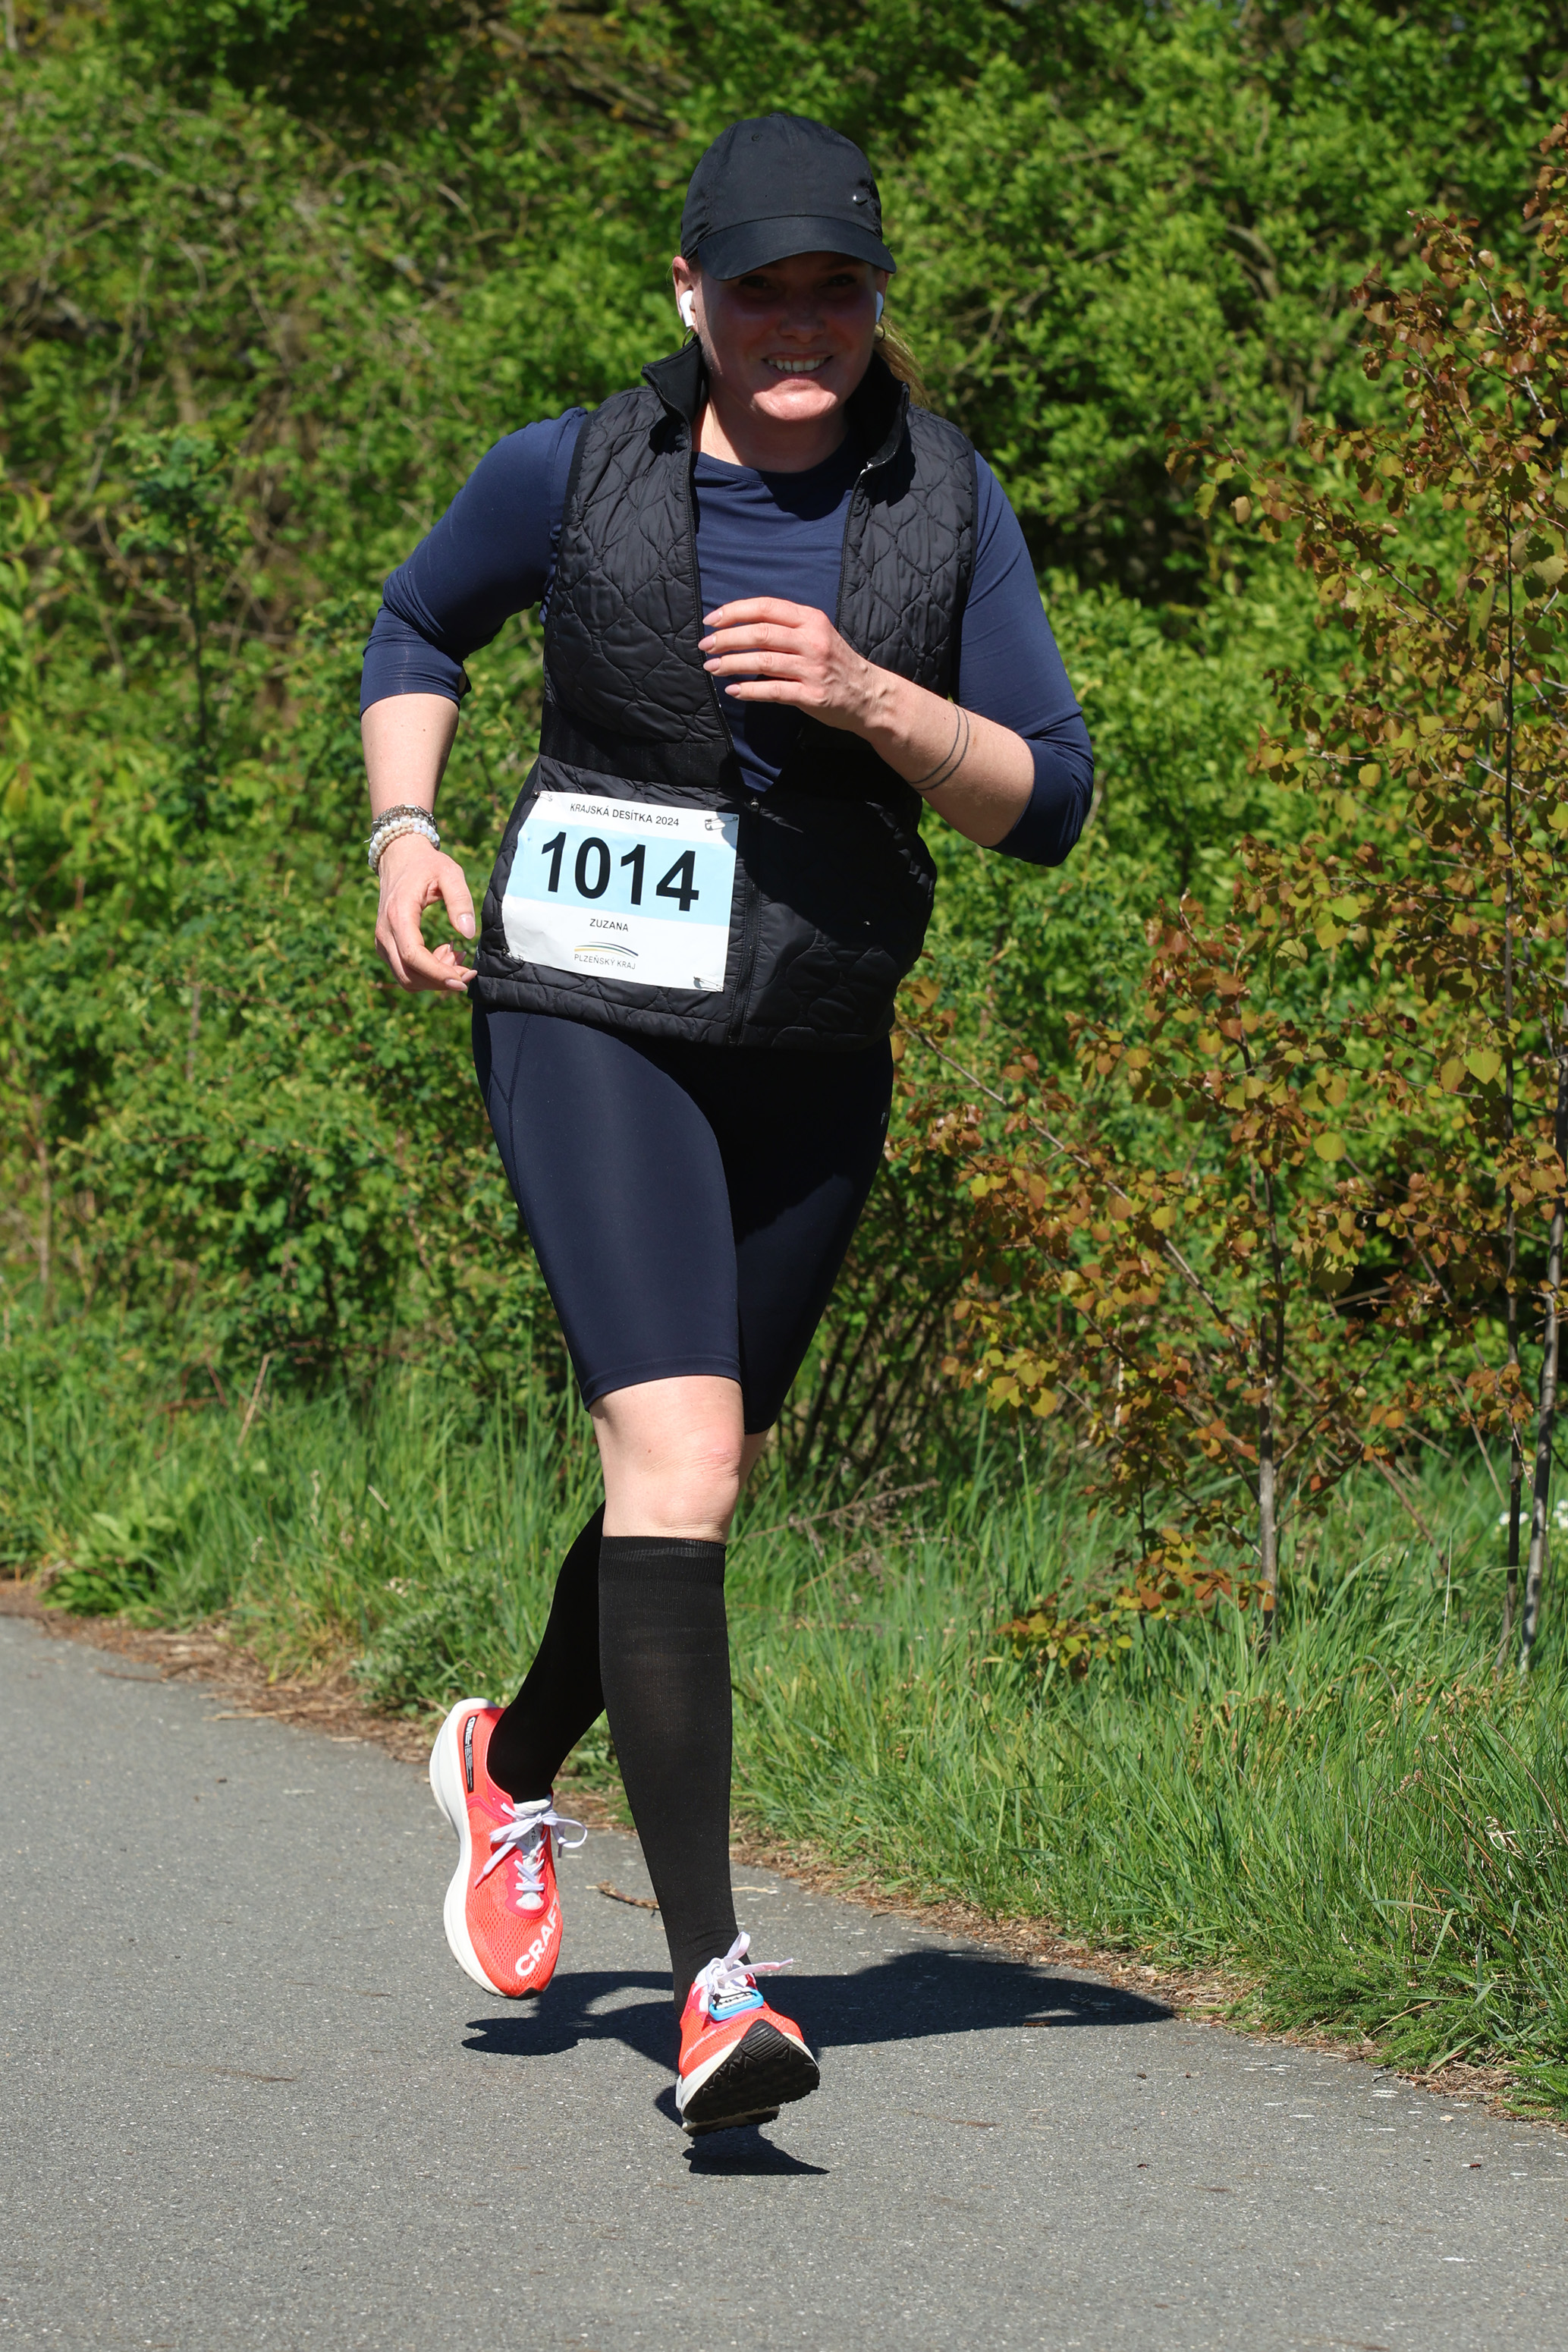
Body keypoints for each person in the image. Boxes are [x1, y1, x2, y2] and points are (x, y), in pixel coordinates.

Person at [360, 112, 1093, 2135]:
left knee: (693, 1478)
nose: (799, 324)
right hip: (587, 1005)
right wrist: (406, 829)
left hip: (809, 1040)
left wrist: (870, 697)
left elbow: (1048, 799)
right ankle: (715, 1990)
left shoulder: (946, 501)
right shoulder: (574, 467)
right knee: (674, 1451)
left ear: (874, 303)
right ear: (689, 292)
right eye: (761, 287)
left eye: (834, 289)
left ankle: (509, 1760)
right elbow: (416, 626)